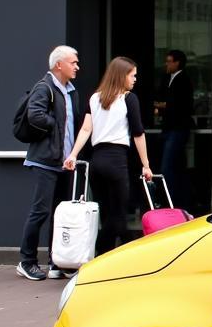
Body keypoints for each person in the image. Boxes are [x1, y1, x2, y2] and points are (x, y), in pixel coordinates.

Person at [65, 56, 154, 255]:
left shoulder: (95, 98)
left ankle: (109, 255)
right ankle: (116, 255)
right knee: (119, 214)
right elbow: (138, 133)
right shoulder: (128, 99)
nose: (135, 79)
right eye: (132, 75)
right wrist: (146, 165)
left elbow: (86, 129)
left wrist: (73, 154)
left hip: (96, 162)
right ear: (122, 76)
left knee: (106, 213)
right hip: (116, 161)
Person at [17, 45, 83, 282]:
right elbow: (35, 115)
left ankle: (56, 263)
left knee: (60, 214)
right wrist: (54, 123)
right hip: (45, 160)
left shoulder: (70, 90)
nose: (77, 66)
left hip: (64, 162)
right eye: (73, 62)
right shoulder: (45, 88)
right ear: (59, 65)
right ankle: (27, 261)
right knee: (40, 212)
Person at [154, 49, 193, 209]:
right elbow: (163, 100)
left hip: (178, 128)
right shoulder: (166, 78)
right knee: (175, 166)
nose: (166, 64)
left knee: (167, 167)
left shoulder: (184, 80)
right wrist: (164, 106)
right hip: (167, 127)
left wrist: (163, 106)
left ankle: (169, 203)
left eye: (169, 61)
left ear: (177, 63)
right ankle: (177, 201)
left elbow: (179, 105)